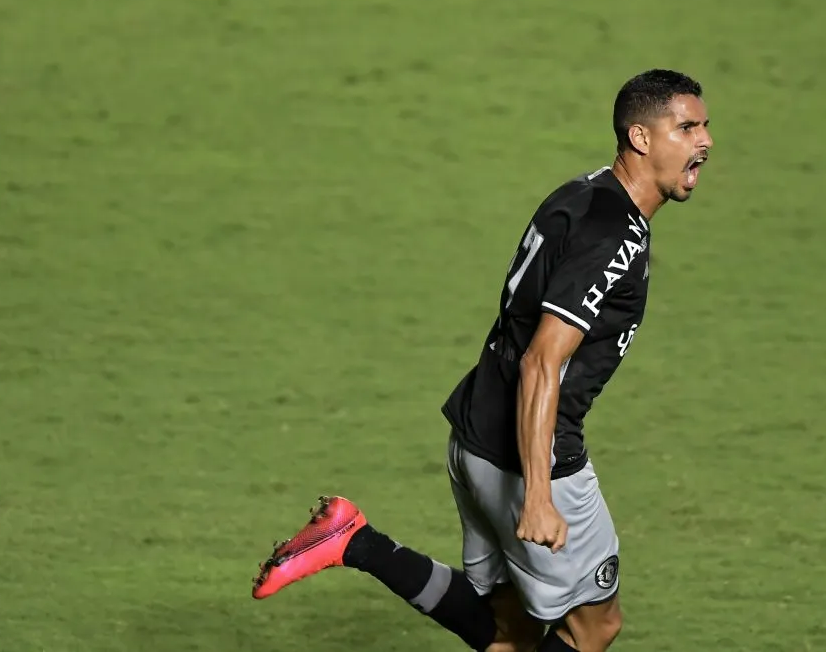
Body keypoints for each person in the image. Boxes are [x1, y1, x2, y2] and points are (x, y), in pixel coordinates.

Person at [251, 68, 714, 652]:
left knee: (509, 633)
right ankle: (354, 541)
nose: (705, 141)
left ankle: (352, 541)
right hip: (532, 457)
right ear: (641, 137)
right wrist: (540, 496)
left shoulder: (581, 193)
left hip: (475, 435)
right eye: (687, 127)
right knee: (595, 626)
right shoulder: (612, 236)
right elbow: (542, 361)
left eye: (705, 126)